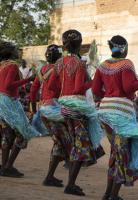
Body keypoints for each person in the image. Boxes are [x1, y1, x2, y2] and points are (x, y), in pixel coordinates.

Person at [92, 35, 138, 200]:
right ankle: (113, 195)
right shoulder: (127, 64)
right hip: (121, 115)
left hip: (105, 114)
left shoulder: (102, 65)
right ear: (124, 48)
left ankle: (107, 194)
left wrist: (110, 96)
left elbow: (96, 90)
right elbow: (128, 89)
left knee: (116, 153)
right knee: (123, 154)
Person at [48, 29, 105, 196]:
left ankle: (70, 183)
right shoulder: (79, 64)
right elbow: (79, 88)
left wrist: (64, 92)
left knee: (77, 145)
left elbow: (51, 87)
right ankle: (70, 185)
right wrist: (93, 81)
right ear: (79, 45)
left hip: (63, 107)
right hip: (77, 109)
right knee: (81, 146)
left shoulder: (58, 63)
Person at [30, 44, 72, 187]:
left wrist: (32, 108)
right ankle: (70, 182)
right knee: (68, 141)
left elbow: (34, 89)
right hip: (54, 110)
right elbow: (62, 89)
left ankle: (50, 177)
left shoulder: (42, 70)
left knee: (59, 142)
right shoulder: (59, 70)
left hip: (43, 109)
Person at [0, 41, 39, 177]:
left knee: (7, 135)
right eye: (16, 49)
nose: (18, 51)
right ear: (10, 52)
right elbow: (9, 85)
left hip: (2, 102)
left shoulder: (1, 66)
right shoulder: (12, 66)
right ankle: (8, 166)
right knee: (23, 134)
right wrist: (29, 79)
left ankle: (4, 167)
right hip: (9, 102)